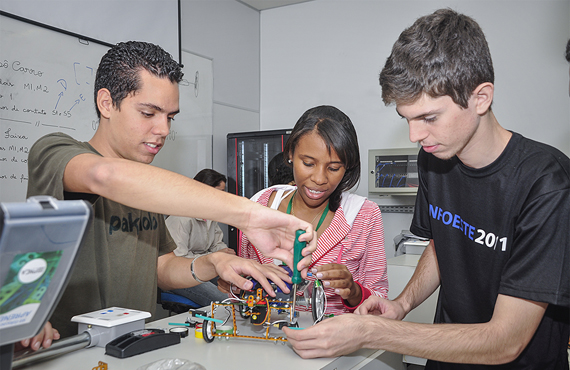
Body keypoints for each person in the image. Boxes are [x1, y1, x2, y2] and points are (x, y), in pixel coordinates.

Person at [284, 9, 569, 369]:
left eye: (428, 118)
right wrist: (401, 304)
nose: (414, 136)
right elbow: (442, 243)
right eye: (406, 118)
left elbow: (505, 340)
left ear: (480, 98)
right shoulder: (434, 160)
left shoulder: (548, 184)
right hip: (446, 358)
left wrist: (369, 331)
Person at [23, 41, 317, 346]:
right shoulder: (54, 151)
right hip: (67, 351)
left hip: (135, 345)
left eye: (170, 117)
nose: (163, 129)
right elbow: (104, 175)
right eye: (149, 113)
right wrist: (249, 214)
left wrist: (214, 263)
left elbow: (162, 268)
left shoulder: (148, 187)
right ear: (106, 103)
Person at [234, 105, 388, 315]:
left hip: (333, 342)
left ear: (348, 166)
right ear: (290, 154)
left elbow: (381, 304)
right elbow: (242, 292)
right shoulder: (260, 205)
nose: (319, 179)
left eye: (333, 168)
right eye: (308, 163)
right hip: (266, 338)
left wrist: (353, 292)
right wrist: (236, 283)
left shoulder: (363, 215)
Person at [164, 168, 235, 306]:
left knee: (237, 293)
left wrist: (227, 257)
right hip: (180, 273)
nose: (221, 197)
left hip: (201, 266)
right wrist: (212, 258)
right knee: (224, 301)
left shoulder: (210, 214)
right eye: (218, 192)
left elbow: (217, 244)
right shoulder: (180, 216)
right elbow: (178, 258)